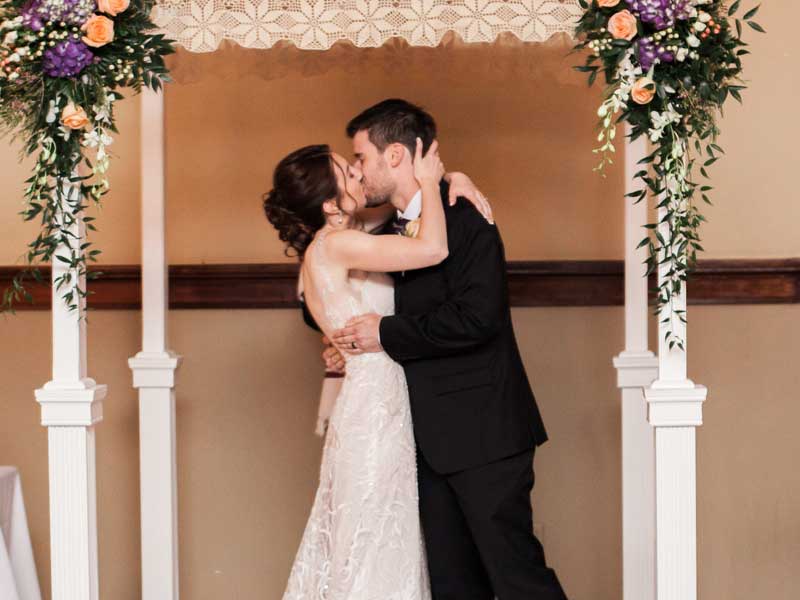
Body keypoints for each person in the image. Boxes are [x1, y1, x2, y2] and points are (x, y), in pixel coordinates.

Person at [329, 99, 567, 600]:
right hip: (423, 441)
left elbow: (477, 319)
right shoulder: (384, 231)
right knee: (453, 587)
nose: (357, 171)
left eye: (361, 158)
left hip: (484, 435)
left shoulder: (466, 217)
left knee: (518, 578)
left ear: (395, 155)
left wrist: (384, 334)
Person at [264, 138, 490, 599]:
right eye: (348, 173)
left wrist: (453, 181)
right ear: (330, 203)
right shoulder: (337, 245)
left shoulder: (333, 243)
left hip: (374, 400)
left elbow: (401, 211)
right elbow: (431, 249)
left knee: (377, 534)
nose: (359, 176)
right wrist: (429, 177)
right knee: (373, 535)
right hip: (375, 409)